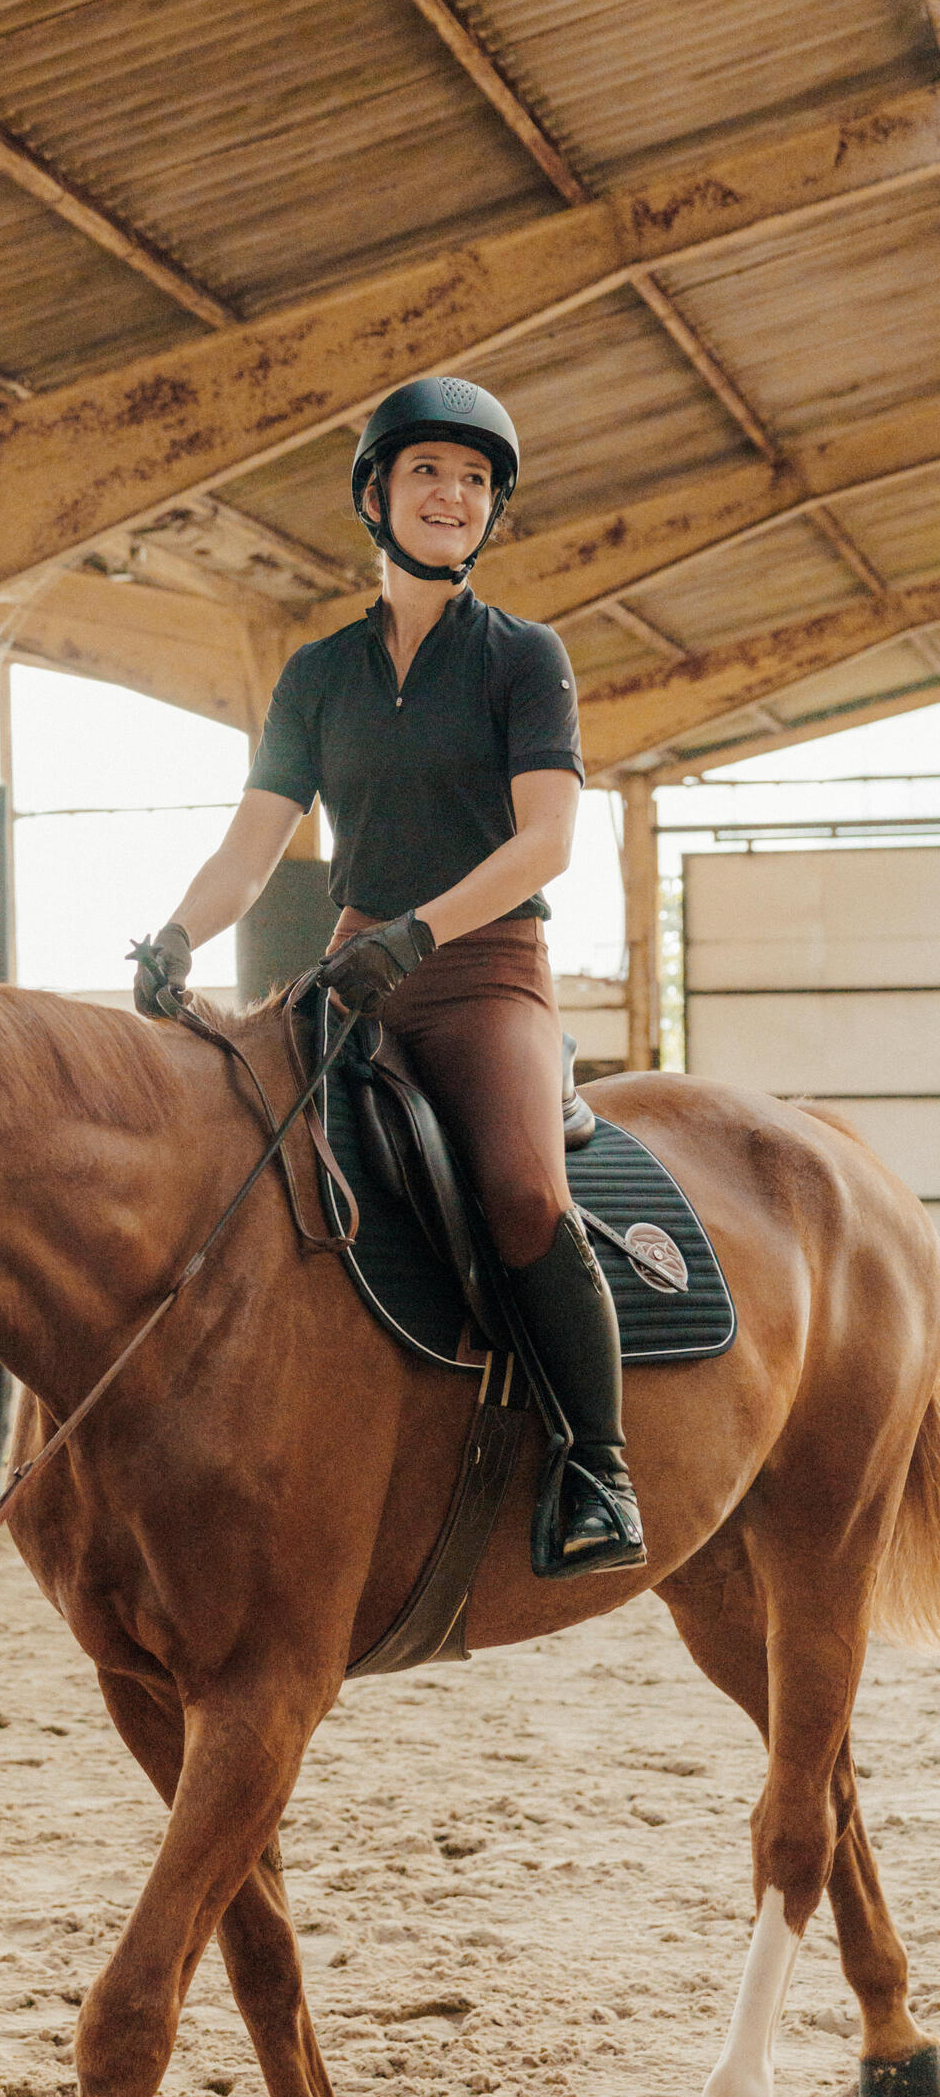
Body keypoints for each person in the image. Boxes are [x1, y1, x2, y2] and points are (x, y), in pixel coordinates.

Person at [131, 373, 644, 1578]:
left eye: (474, 481)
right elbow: (252, 847)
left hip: (484, 975)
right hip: (351, 974)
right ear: (375, 494)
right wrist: (176, 937)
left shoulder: (526, 657)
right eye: (428, 473)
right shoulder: (318, 675)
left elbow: (548, 840)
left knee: (520, 1189)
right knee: (239, 1162)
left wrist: (419, 930)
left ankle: (598, 1465)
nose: (452, 495)